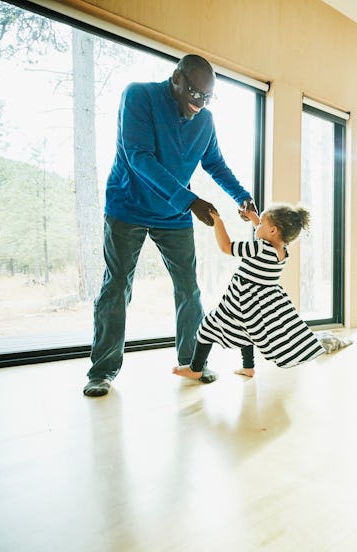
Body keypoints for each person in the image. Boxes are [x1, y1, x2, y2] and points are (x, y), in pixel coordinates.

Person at [84, 54, 257, 397]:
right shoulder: (140, 96)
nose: (198, 102)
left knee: (189, 289)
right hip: (127, 206)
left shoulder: (204, 120)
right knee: (117, 286)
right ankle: (102, 371)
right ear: (176, 78)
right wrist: (190, 201)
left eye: (207, 97)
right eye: (194, 92)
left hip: (173, 214)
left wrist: (242, 196)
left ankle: (193, 363)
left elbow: (215, 163)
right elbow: (138, 156)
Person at [172, 203, 325, 383]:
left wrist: (217, 221)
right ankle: (248, 367)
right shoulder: (281, 251)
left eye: (261, 224)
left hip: (241, 300)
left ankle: (195, 369)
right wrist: (253, 218)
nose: (257, 226)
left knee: (207, 327)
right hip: (258, 305)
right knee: (248, 331)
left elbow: (226, 246)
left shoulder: (260, 248)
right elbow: (264, 233)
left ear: (273, 231)